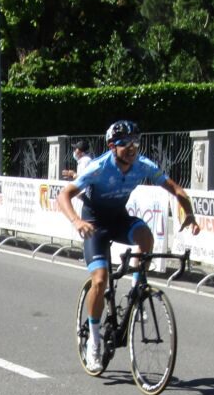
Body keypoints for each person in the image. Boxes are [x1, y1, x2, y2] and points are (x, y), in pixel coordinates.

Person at [56, 120, 200, 373]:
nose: (132, 148)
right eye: (126, 144)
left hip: (119, 219)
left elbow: (175, 188)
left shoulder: (143, 165)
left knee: (145, 237)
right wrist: (76, 220)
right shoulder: (98, 168)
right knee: (100, 280)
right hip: (95, 224)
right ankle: (94, 340)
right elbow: (63, 195)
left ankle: (137, 290)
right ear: (112, 146)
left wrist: (189, 213)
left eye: (136, 143)